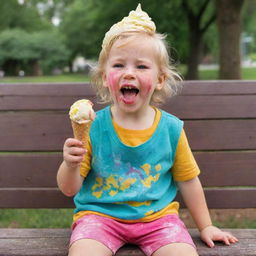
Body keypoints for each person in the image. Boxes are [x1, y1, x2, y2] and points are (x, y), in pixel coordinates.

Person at [57, 4, 238, 256]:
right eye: (118, 65)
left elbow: (188, 181)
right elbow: (69, 189)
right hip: (100, 218)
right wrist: (71, 164)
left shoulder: (171, 129)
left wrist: (206, 226)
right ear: (104, 76)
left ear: (160, 79)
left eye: (141, 67)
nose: (129, 73)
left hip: (159, 221)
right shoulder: (93, 126)